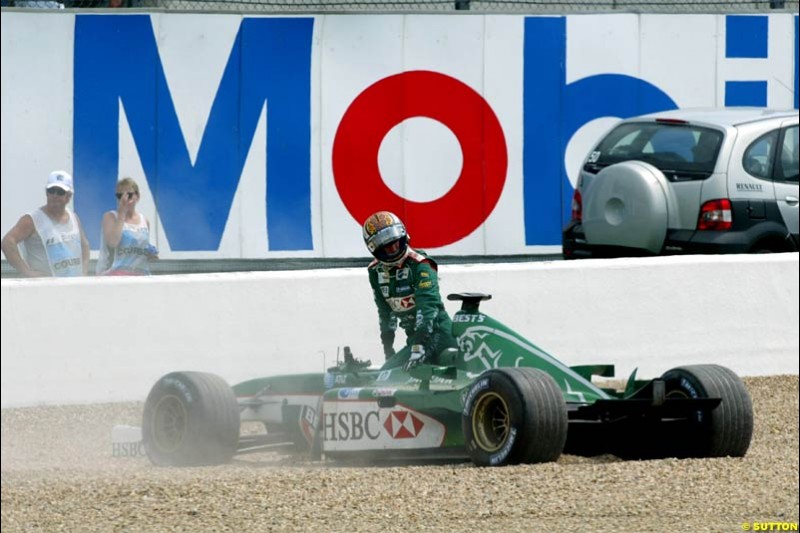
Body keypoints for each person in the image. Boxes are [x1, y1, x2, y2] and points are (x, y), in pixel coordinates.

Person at [362, 211, 458, 370]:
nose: (393, 249)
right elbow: (385, 313)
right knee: (388, 372)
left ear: (403, 237)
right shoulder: (375, 271)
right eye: (387, 247)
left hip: (441, 336)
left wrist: (419, 347)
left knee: (390, 374)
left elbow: (428, 307)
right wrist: (388, 349)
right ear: (376, 249)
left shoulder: (422, 263)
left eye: (395, 242)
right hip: (414, 340)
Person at [1, 170, 89, 277]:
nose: (54, 195)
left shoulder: (74, 217)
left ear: (68, 196)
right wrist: (27, 272)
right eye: (51, 190)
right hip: (45, 288)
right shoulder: (32, 219)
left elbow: (84, 246)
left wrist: (84, 272)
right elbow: (7, 242)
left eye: (60, 192)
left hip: (73, 286)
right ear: (46, 193)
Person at [96, 177, 158, 276]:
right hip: (114, 274)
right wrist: (122, 214)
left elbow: (140, 250)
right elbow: (112, 243)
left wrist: (149, 254)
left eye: (128, 195)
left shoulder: (144, 221)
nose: (124, 199)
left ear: (137, 196)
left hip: (140, 274)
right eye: (119, 196)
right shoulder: (110, 217)